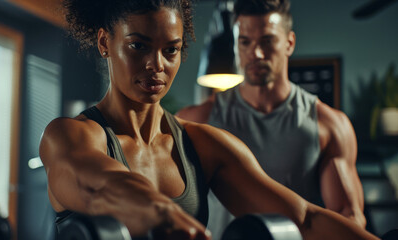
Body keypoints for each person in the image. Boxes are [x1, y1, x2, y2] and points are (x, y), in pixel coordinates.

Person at [39, 0, 376, 239]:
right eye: (139, 46)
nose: (156, 65)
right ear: (104, 42)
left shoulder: (201, 145)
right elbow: (101, 187)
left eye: (171, 50)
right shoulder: (69, 136)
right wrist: (163, 213)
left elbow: (306, 218)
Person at [176, 0, 365, 238]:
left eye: (267, 41)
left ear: (289, 43)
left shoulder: (329, 125)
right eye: (245, 42)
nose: (256, 53)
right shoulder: (197, 119)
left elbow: (348, 215)